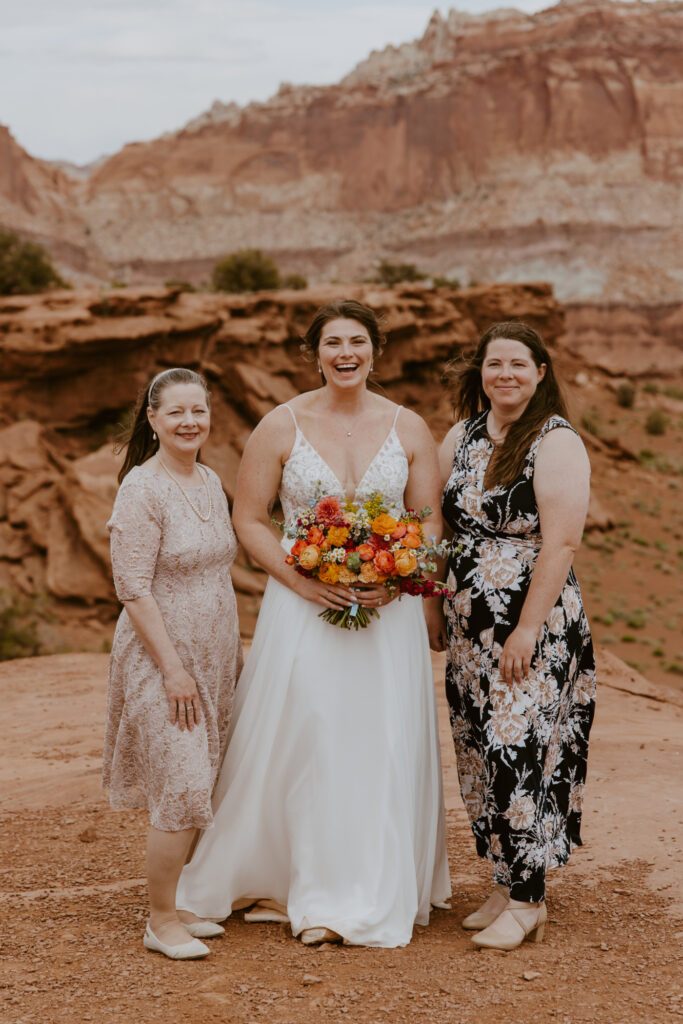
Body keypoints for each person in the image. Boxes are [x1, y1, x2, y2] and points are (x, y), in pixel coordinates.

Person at [176, 299, 451, 947]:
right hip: (302, 608)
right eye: (332, 343)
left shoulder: (408, 428)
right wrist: (302, 581)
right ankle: (289, 877)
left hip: (389, 613)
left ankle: (357, 889)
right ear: (315, 353)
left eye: (357, 341)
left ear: (374, 351)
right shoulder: (280, 425)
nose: (345, 353)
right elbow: (247, 517)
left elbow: (430, 519)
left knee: (378, 738)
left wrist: (400, 571)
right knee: (307, 731)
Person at [437, 321, 596, 951]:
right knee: (480, 749)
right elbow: (447, 528)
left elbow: (560, 542)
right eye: (493, 363)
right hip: (468, 625)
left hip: (532, 625)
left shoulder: (556, 441)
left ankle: (530, 899)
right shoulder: (463, 435)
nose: (504, 374)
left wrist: (526, 628)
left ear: (540, 372)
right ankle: (506, 879)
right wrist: (435, 599)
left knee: (520, 749)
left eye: (517, 364)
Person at [103, 367, 243, 960]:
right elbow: (132, 587)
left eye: (199, 411)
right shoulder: (141, 489)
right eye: (176, 413)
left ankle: (179, 901)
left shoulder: (209, 478)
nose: (190, 422)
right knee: (183, 785)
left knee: (205, 775)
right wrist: (173, 668)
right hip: (163, 658)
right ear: (153, 420)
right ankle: (161, 920)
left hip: (215, 651)